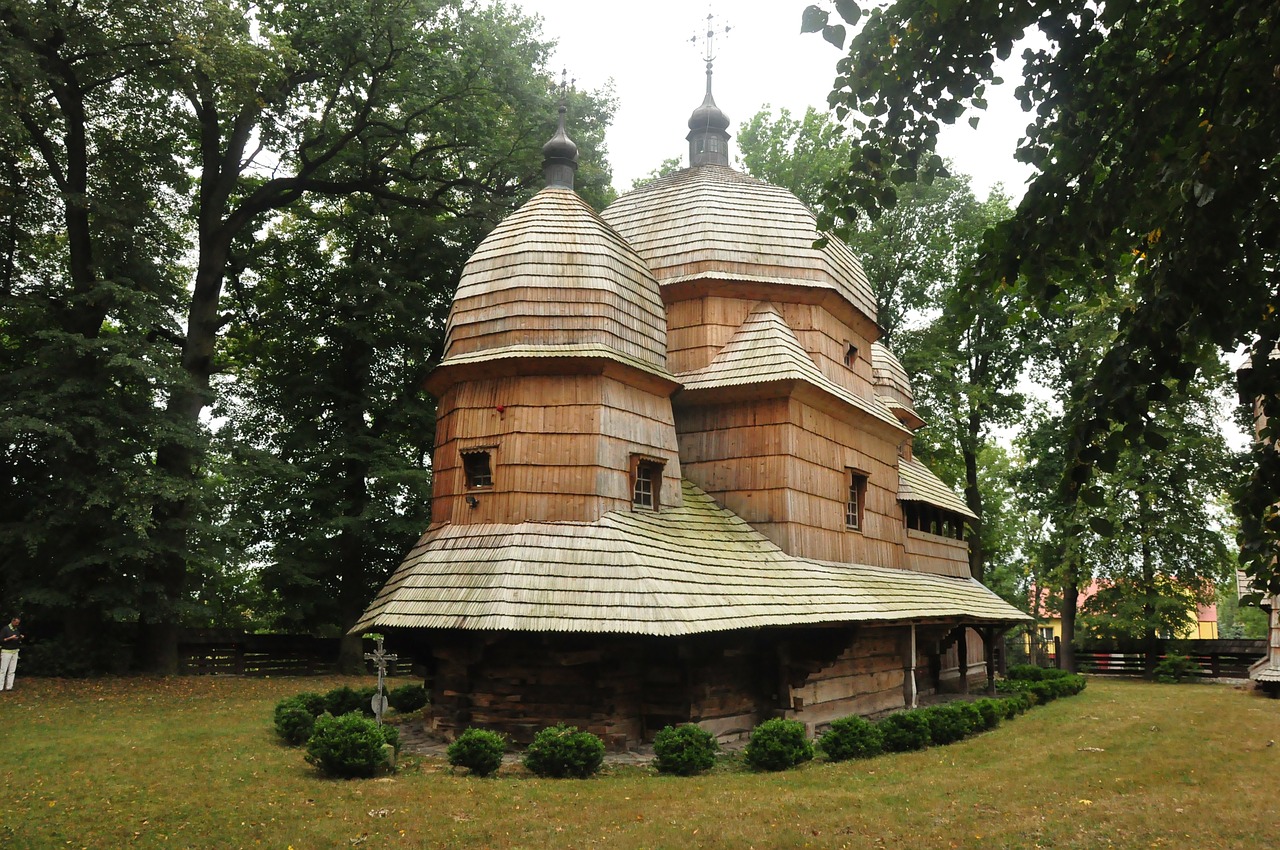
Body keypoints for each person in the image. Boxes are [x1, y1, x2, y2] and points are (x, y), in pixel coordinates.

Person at [1, 616, 23, 690]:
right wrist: (10, 638)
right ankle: (0, 687)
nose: (17, 624)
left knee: (12, 670)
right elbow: (1, 640)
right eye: (16, 623)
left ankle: (9, 687)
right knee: (3, 670)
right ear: (12, 621)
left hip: (15, 651)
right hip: (6, 651)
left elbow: (17, 639)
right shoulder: (5, 629)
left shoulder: (16, 629)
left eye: (18, 623)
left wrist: (19, 638)